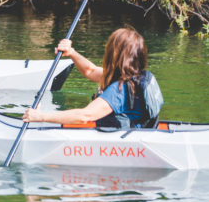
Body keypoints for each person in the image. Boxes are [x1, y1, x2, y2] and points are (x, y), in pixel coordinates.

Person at [23, 28, 162, 129]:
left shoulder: (119, 90)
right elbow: (91, 71)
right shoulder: (138, 77)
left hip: (118, 143)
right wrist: (71, 53)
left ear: (114, 54)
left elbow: (85, 116)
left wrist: (40, 116)